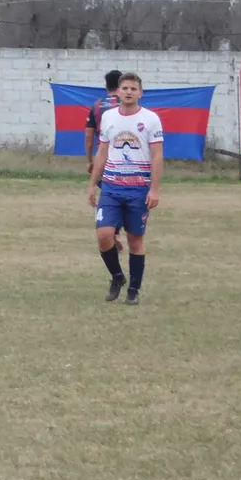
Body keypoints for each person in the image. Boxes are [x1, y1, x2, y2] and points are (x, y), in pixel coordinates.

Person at [88, 72, 164, 305]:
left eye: (133, 88)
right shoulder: (109, 117)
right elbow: (102, 152)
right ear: (117, 92)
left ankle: (133, 289)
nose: (129, 92)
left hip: (138, 189)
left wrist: (154, 189)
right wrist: (92, 184)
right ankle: (117, 277)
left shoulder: (151, 119)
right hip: (111, 187)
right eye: (125, 88)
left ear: (140, 93)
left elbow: (157, 155)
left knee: (135, 240)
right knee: (104, 235)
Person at [85, 70, 124, 252]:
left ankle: (108, 229)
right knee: (124, 194)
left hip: (104, 156)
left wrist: (89, 159)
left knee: (107, 194)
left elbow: (89, 134)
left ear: (106, 85)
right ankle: (115, 231)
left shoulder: (97, 105)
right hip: (124, 158)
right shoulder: (127, 104)